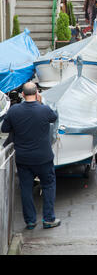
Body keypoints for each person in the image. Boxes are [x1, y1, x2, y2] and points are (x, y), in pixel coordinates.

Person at [1, 82, 60, 230]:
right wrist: (40, 103)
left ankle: (30, 221)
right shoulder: (44, 110)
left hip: (23, 158)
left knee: (26, 189)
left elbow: (4, 128)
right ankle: (48, 219)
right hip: (43, 157)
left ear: (22, 94)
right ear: (37, 93)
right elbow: (54, 117)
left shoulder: (14, 111)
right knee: (48, 185)